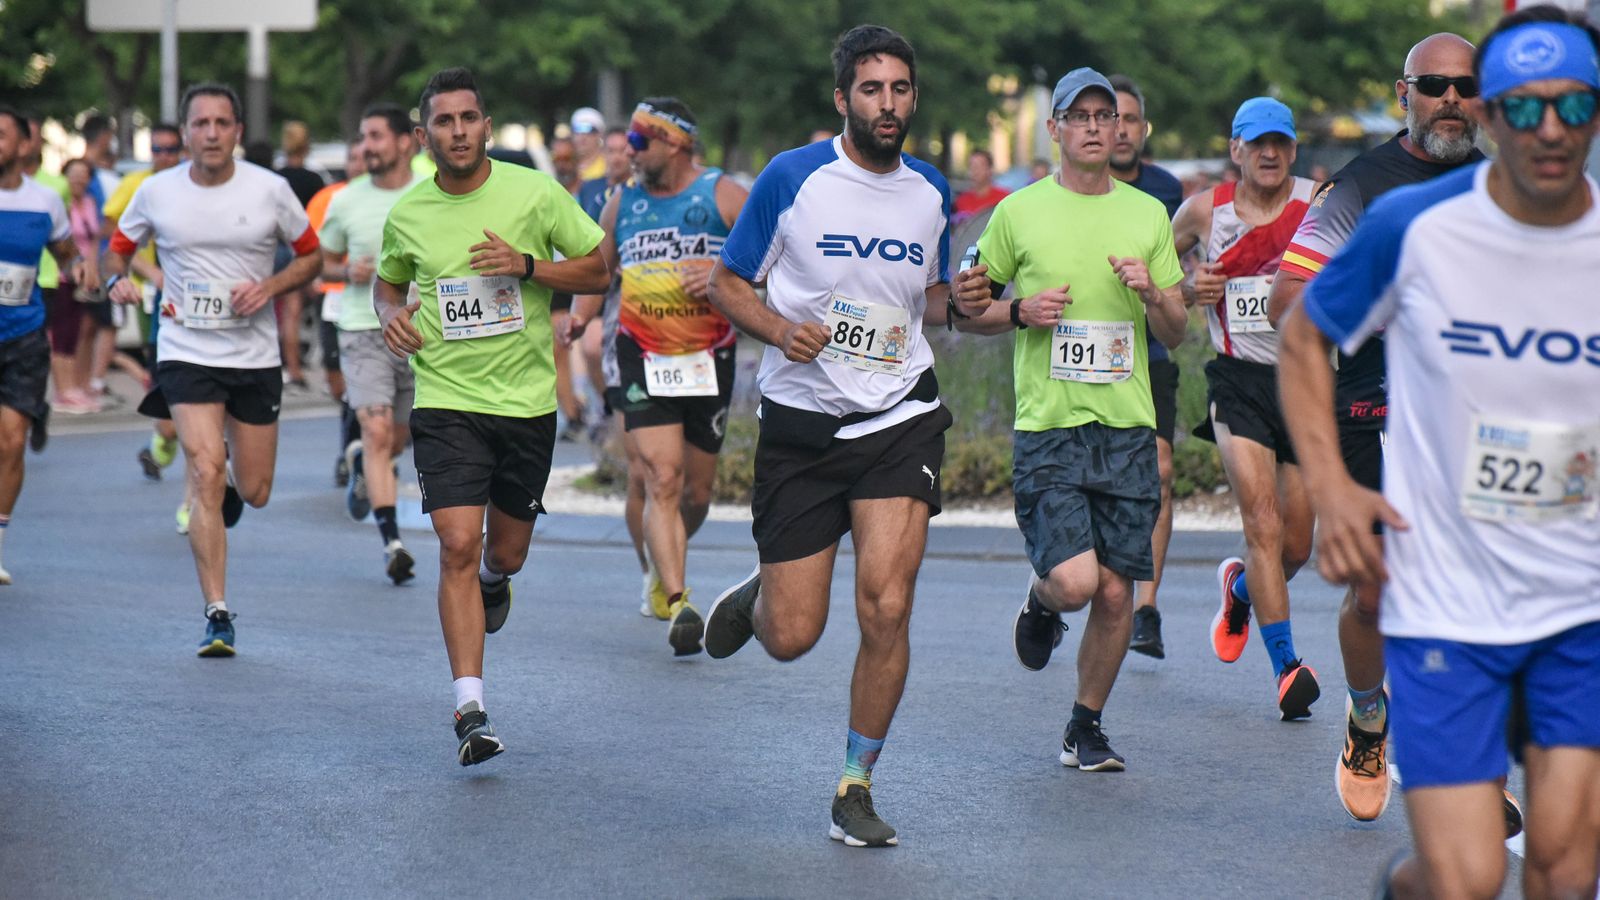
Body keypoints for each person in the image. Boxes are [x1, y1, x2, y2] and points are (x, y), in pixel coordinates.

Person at [1278, 11, 1600, 897]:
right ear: (1496, 116)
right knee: (1465, 879)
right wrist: (1334, 488)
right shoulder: (1410, 221)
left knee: (1566, 870)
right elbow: (1300, 333)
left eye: (1572, 105)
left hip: (1579, 602)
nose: (1549, 129)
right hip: (1446, 598)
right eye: (1523, 107)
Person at [703, 24, 984, 848]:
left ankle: (855, 784)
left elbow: (928, 300)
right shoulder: (793, 179)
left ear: (913, 98)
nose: (887, 104)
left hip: (900, 417)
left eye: (900, 89)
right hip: (802, 425)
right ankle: (759, 598)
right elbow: (725, 282)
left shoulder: (929, 190)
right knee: (793, 637)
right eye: (871, 89)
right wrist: (778, 330)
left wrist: (970, 302)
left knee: (888, 604)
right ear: (843, 99)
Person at [1265, 33, 1508, 828]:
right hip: (1376, 412)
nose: (1450, 99)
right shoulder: (1362, 187)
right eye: (1432, 85)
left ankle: (1478, 765)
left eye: (1464, 85)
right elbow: (1287, 305)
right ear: (1406, 94)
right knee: (1376, 592)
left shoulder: (1508, 187)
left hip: (1477, 424)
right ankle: (1369, 718)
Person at [952, 66, 1186, 773]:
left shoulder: (1147, 214)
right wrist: (1020, 311)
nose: (1092, 127)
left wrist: (1153, 295)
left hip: (1126, 427)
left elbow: (1176, 330)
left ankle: (1085, 725)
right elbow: (969, 311)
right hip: (1050, 425)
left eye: (1103, 115)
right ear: (1054, 128)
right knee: (1078, 583)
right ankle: (1042, 598)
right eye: (1077, 116)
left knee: (1116, 591)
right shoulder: (1018, 212)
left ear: (1120, 129)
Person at [374, 68, 608, 766]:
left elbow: (597, 270)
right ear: (423, 136)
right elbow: (387, 285)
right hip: (446, 401)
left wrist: (527, 265)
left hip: (525, 405)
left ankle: (494, 581)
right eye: (444, 122)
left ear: (486, 125)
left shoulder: (534, 193)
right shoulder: (408, 214)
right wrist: (390, 317)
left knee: (503, 553)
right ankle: (470, 709)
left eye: (468, 118)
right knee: (454, 543)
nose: (458, 131)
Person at [106, 83, 322, 656]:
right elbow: (116, 249)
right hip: (186, 349)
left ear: (238, 132)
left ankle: (231, 484)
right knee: (203, 468)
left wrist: (270, 288)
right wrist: (115, 278)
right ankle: (217, 613)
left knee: (255, 490)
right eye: (200, 123)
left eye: (222, 123)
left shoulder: (270, 189)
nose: (211, 133)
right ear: (185, 133)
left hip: (254, 356)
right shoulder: (156, 192)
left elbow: (312, 256)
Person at [565, 98, 748, 653]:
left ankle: (662, 557)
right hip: (641, 354)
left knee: (697, 492)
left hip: (708, 357)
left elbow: (773, 264)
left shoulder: (724, 195)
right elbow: (597, 271)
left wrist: (719, 272)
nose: (632, 152)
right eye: (631, 142)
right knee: (661, 477)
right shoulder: (622, 203)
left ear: (677, 143)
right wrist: (579, 317)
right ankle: (677, 597)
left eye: (642, 142)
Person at [1170, 97, 1319, 718]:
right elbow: (1161, 275)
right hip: (1237, 381)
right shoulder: (1206, 211)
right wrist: (1188, 287)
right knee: (1262, 521)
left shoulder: (1321, 202)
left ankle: (1240, 590)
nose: (1269, 154)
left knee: (1297, 546)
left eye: (1280, 143)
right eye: (1257, 144)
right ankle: (1287, 668)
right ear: (1236, 150)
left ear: (1293, 149)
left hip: (1306, 382)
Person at [321, 104, 419, 584]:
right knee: (378, 432)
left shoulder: (433, 191)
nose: (366, 147)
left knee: (397, 439)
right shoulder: (345, 201)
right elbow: (320, 261)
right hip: (363, 327)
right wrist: (345, 270)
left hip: (421, 332)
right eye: (363, 137)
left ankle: (363, 462)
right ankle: (392, 542)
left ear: (404, 142)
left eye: (376, 136)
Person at [0, 106, 97, 583]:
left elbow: (66, 251)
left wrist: (80, 267)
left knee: (12, 440)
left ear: (23, 145)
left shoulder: (45, 201)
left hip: (24, 333)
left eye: (1, 135)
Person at [1107, 74, 1186, 660]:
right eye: (1111, 118)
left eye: (1131, 119)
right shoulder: (1070, 189)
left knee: (1159, 470)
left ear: (1144, 128)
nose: (1121, 130)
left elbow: (1181, 269)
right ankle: (1055, 581)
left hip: (1148, 351)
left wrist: (1190, 289)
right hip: (1080, 355)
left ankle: (1146, 608)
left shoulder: (1164, 191)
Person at [105, 123, 188, 489]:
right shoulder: (138, 186)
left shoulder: (197, 186)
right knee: (172, 416)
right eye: (158, 150)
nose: (164, 157)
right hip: (157, 304)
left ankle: (195, 490)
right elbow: (116, 238)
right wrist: (148, 272)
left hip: (209, 313)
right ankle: (158, 447)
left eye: (171, 150)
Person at [306, 138, 366, 490]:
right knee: (339, 382)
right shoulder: (329, 199)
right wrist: (316, 274)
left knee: (362, 384)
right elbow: (312, 247)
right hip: (334, 299)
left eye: (364, 157)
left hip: (371, 305)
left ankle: (353, 452)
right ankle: (355, 441)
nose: (358, 164)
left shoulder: (390, 197)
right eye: (352, 158)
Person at [275, 122, 325, 392]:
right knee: (300, 311)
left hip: (278, 246)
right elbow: (320, 218)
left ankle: (287, 366)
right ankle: (297, 369)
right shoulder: (313, 180)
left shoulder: (276, 179)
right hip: (303, 247)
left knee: (286, 313)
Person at [55, 158, 102, 414]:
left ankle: (79, 385)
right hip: (62, 276)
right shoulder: (59, 203)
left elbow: (94, 240)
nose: (78, 179)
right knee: (62, 333)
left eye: (83, 175)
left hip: (85, 274)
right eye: (73, 174)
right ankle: (64, 390)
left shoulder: (90, 203)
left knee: (82, 332)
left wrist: (92, 269)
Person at [952, 148, 1008, 223]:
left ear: (990, 170)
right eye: (971, 166)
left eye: (979, 166)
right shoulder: (961, 201)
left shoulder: (1004, 198)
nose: (974, 171)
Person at [571, 107, 607, 182]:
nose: (582, 137)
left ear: (599, 135)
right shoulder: (566, 164)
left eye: (589, 132)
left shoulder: (608, 165)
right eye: (578, 131)